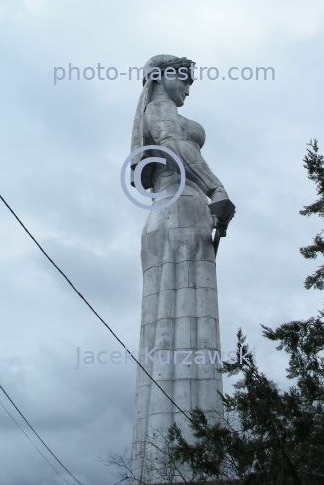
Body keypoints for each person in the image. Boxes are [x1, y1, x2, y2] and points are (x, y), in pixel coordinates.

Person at [130, 54, 235, 482]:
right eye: (185, 79)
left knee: (183, 334)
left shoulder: (163, 113)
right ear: (161, 76)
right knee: (175, 334)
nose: (189, 88)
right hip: (180, 213)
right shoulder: (159, 111)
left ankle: (181, 463)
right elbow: (175, 145)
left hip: (179, 215)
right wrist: (217, 188)